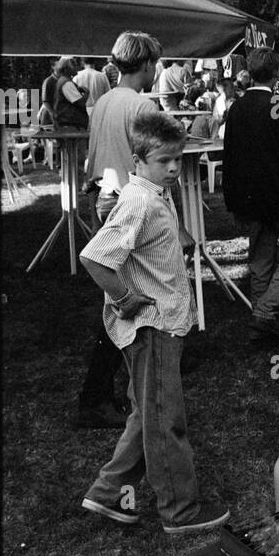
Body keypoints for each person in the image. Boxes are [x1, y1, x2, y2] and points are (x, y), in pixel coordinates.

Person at [79, 105, 228, 534]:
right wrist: (124, 297)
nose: (173, 169)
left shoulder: (152, 197)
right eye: (163, 161)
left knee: (148, 413)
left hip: (160, 323)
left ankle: (108, 493)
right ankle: (179, 511)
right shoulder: (141, 201)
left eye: (176, 160)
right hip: (151, 327)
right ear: (137, 162)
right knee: (166, 421)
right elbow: (95, 258)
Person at [76, 32, 163, 428]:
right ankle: (95, 395)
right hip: (131, 203)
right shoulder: (143, 105)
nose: (155, 69)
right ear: (145, 64)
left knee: (121, 295)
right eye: (154, 63)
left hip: (104, 197)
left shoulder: (104, 102)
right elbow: (157, 163)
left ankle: (118, 383)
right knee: (124, 299)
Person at [222, 46, 279, 347]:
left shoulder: (237, 108)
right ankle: (264, 313)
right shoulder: (278, 104)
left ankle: (259, 321)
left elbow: (230, 159)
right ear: (277, 72)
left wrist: (234, 201)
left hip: (252, 199)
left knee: (261, 259)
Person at [52, 56, 89, 131]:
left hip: (68, 124)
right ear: (66, 69)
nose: (77, 67)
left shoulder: (63, 81)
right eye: (74, 65)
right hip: (70, 125)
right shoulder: (67, 83)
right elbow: (80, 103)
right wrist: (86, 93)